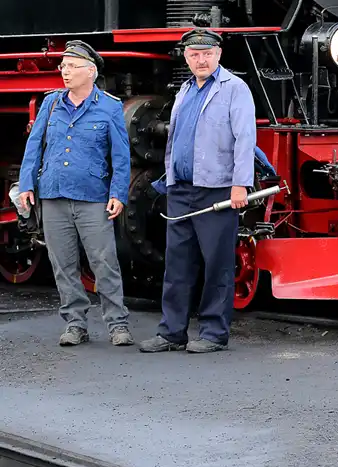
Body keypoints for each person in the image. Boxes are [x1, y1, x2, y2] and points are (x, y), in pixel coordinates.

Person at [140, 28, 256, 354]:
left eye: (206, 53)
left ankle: (213, 333)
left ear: (218, 54)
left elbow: (246, 139)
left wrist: (240, 185)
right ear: (186, 58)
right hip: (181, 189)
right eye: (194, 55)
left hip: (217, 189)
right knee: (177, 264)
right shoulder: (184, 90)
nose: (200, 60)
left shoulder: (235, 89)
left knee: (217, 264)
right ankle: (171, 332)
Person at [18, 40, 133, 347]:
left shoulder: (109, 107)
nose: (65, 73)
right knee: (63, 264)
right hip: (53, 194)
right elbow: (34, 147)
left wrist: (119, 193)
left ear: (91, 72)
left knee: (104, 261)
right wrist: (27, 183)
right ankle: (75, 323)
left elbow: (121, 157)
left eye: (71, 67)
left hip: (92, 196)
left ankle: (117, 323)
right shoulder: (51, 103)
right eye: (63, 67)